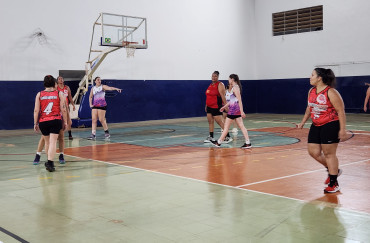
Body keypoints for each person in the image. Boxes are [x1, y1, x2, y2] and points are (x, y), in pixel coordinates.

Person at [297, 68, 347, 193]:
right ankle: (332, 170)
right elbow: (310, 108)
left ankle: (334, 183)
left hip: (330, 124)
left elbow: (341, 111)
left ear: (319, 78)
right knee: (313, 152)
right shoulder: (311, 91)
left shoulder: (331, 92)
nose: (310, 77)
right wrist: (303, 122)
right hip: (316, 124)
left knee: (329, 154)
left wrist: (342, 129)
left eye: (312, 75)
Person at [34, 75, 67, 172]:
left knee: (47, 142)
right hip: (55, 120)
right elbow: (63, 109)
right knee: (53, 142)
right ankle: (50, 162)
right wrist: (65, 121)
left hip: (43, 121)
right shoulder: (59, 93)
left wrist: (35, 123)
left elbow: (36, 110)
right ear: (54, 82)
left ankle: (48, 161)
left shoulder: (39, 94)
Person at [211, 74, 252, 149]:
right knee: (241, 126)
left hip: (233, 111)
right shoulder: (234, 87)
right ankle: (248, 142)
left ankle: (219, 142)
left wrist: (242, 111)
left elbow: (239, 100)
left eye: (229, 79)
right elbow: (232, 101)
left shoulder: (235, 88)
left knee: (226, 127)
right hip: (235, 110)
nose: (228, 80)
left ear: (232, 79)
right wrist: (224, 107)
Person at [204, 71, 232, 143]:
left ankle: (228, 136)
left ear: (218, 77)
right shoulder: (210, 85)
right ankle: (211, 137)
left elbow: (223, 96)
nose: (213, 77)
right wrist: (206, 105)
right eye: (212, 76)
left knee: (220, 122)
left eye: (215, 76)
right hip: (209, 107)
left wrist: (225, 106)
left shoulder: (220, 84)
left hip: (216, 106)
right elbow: (208, 96)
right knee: (210, 121)